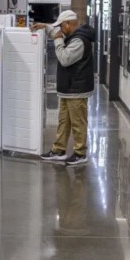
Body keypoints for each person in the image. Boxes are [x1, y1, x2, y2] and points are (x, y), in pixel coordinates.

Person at [34, 10, 96, 166]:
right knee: (64, 121)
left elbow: (64, 59)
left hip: (76, 89)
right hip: (69, 88)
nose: (60, 30)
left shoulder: (79, 41)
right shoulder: (72, 34)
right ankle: (59, 150)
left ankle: (80, 153)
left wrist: (57, 40)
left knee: (78, 122)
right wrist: (45, 27)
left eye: (61, 26)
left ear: (69, 24)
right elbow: (57, 32)